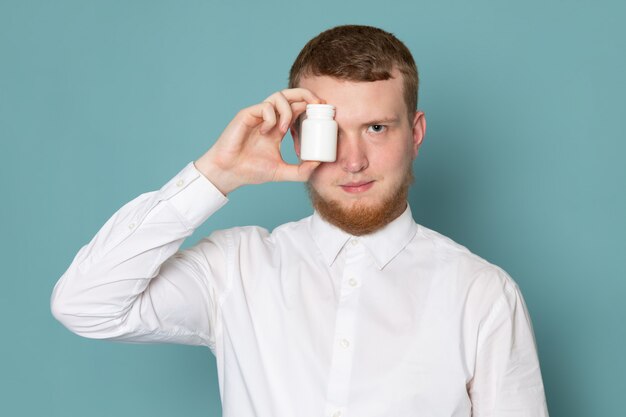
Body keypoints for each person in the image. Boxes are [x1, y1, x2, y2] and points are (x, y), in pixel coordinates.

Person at [51, 25, 549, 417]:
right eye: (329, 131)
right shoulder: (236, 269)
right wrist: (216, 174)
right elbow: (86, 304)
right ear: (294, 138)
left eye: (377, 128)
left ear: (415, 134)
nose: (352, 160)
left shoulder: (482, 294)